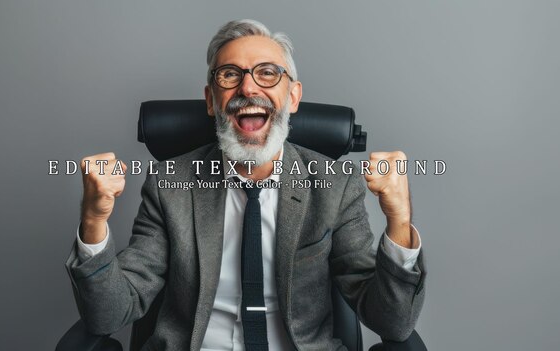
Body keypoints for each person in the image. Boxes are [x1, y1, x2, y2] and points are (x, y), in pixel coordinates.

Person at [66, 19, 425, 351]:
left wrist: (399, 223)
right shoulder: (168, 184)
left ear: (294, 96)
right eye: (229, 75)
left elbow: (392, 324)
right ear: (211, 100)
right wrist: (94, 222)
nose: (248, 87)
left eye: (267, 73)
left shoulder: (334, 185)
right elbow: (109, 316)